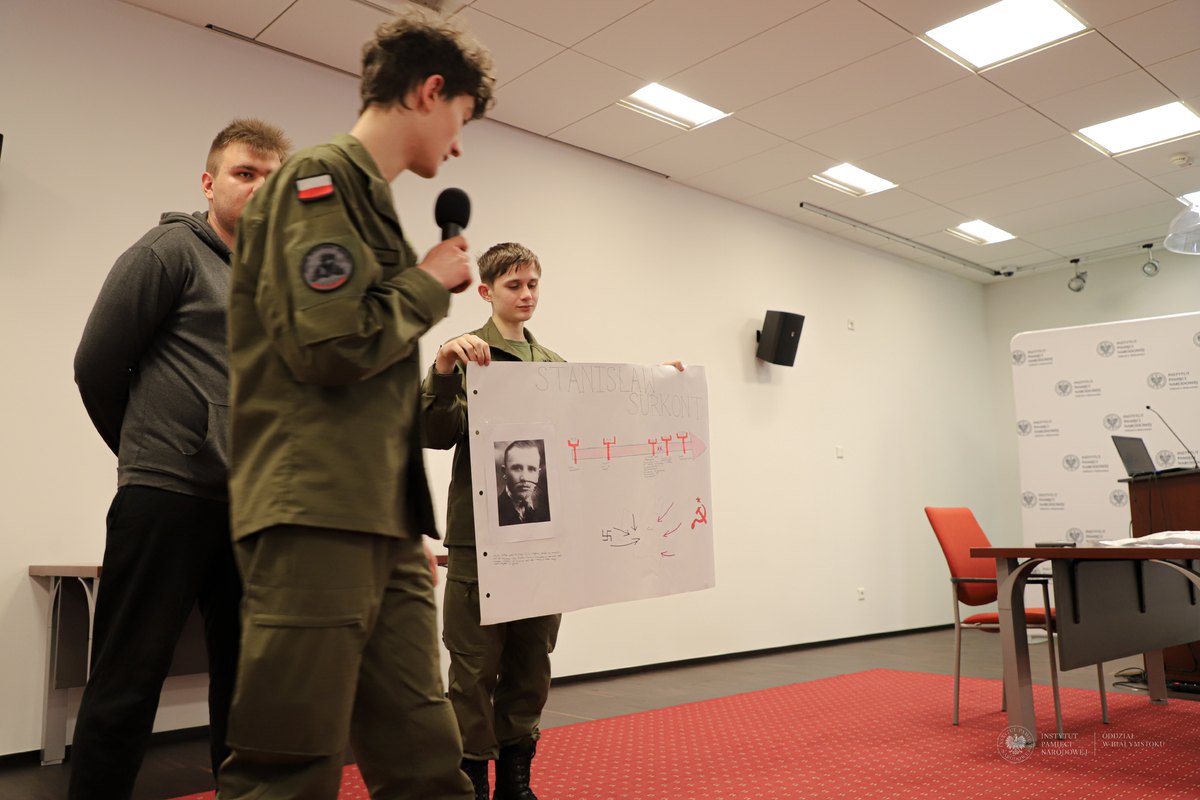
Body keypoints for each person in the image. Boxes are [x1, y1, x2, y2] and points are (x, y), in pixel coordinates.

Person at [217, 9, 494, 800]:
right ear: (429, 91)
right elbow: (331, 345)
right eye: (461, 117)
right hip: (316, 514)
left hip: (381, 524)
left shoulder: (363, 200)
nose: (458, 144)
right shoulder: (318, 181)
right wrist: (427, 282)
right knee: (288, 766)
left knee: (426, 760)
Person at [70, 118, 291, 800]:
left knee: (246, 684)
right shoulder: (167, 252)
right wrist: (155, 451)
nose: (258, 189)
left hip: (247, 509)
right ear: (209, 182)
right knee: (128, 679)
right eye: (245, 174)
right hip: (165, 498)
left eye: (272, 179)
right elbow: (96, 366)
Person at [422, 242, 564, 800]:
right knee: (474, 669)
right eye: (513, 285)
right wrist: (443, 368)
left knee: (531, 666)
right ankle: (473, 786)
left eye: (532, 284)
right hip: (479, 541)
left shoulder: (555, 367)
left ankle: (515, 783)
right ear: (486, 291)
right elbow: (435, 434)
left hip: (541, 542)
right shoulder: (465, 356)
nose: (526, 294)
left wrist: (659, 386)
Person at [497, 440, 551, 526]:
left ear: (538, 475)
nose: (525, 478)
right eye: (517, 468)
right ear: (504, 472)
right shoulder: (495, 510)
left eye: (531, 469)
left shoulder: (547, 510)